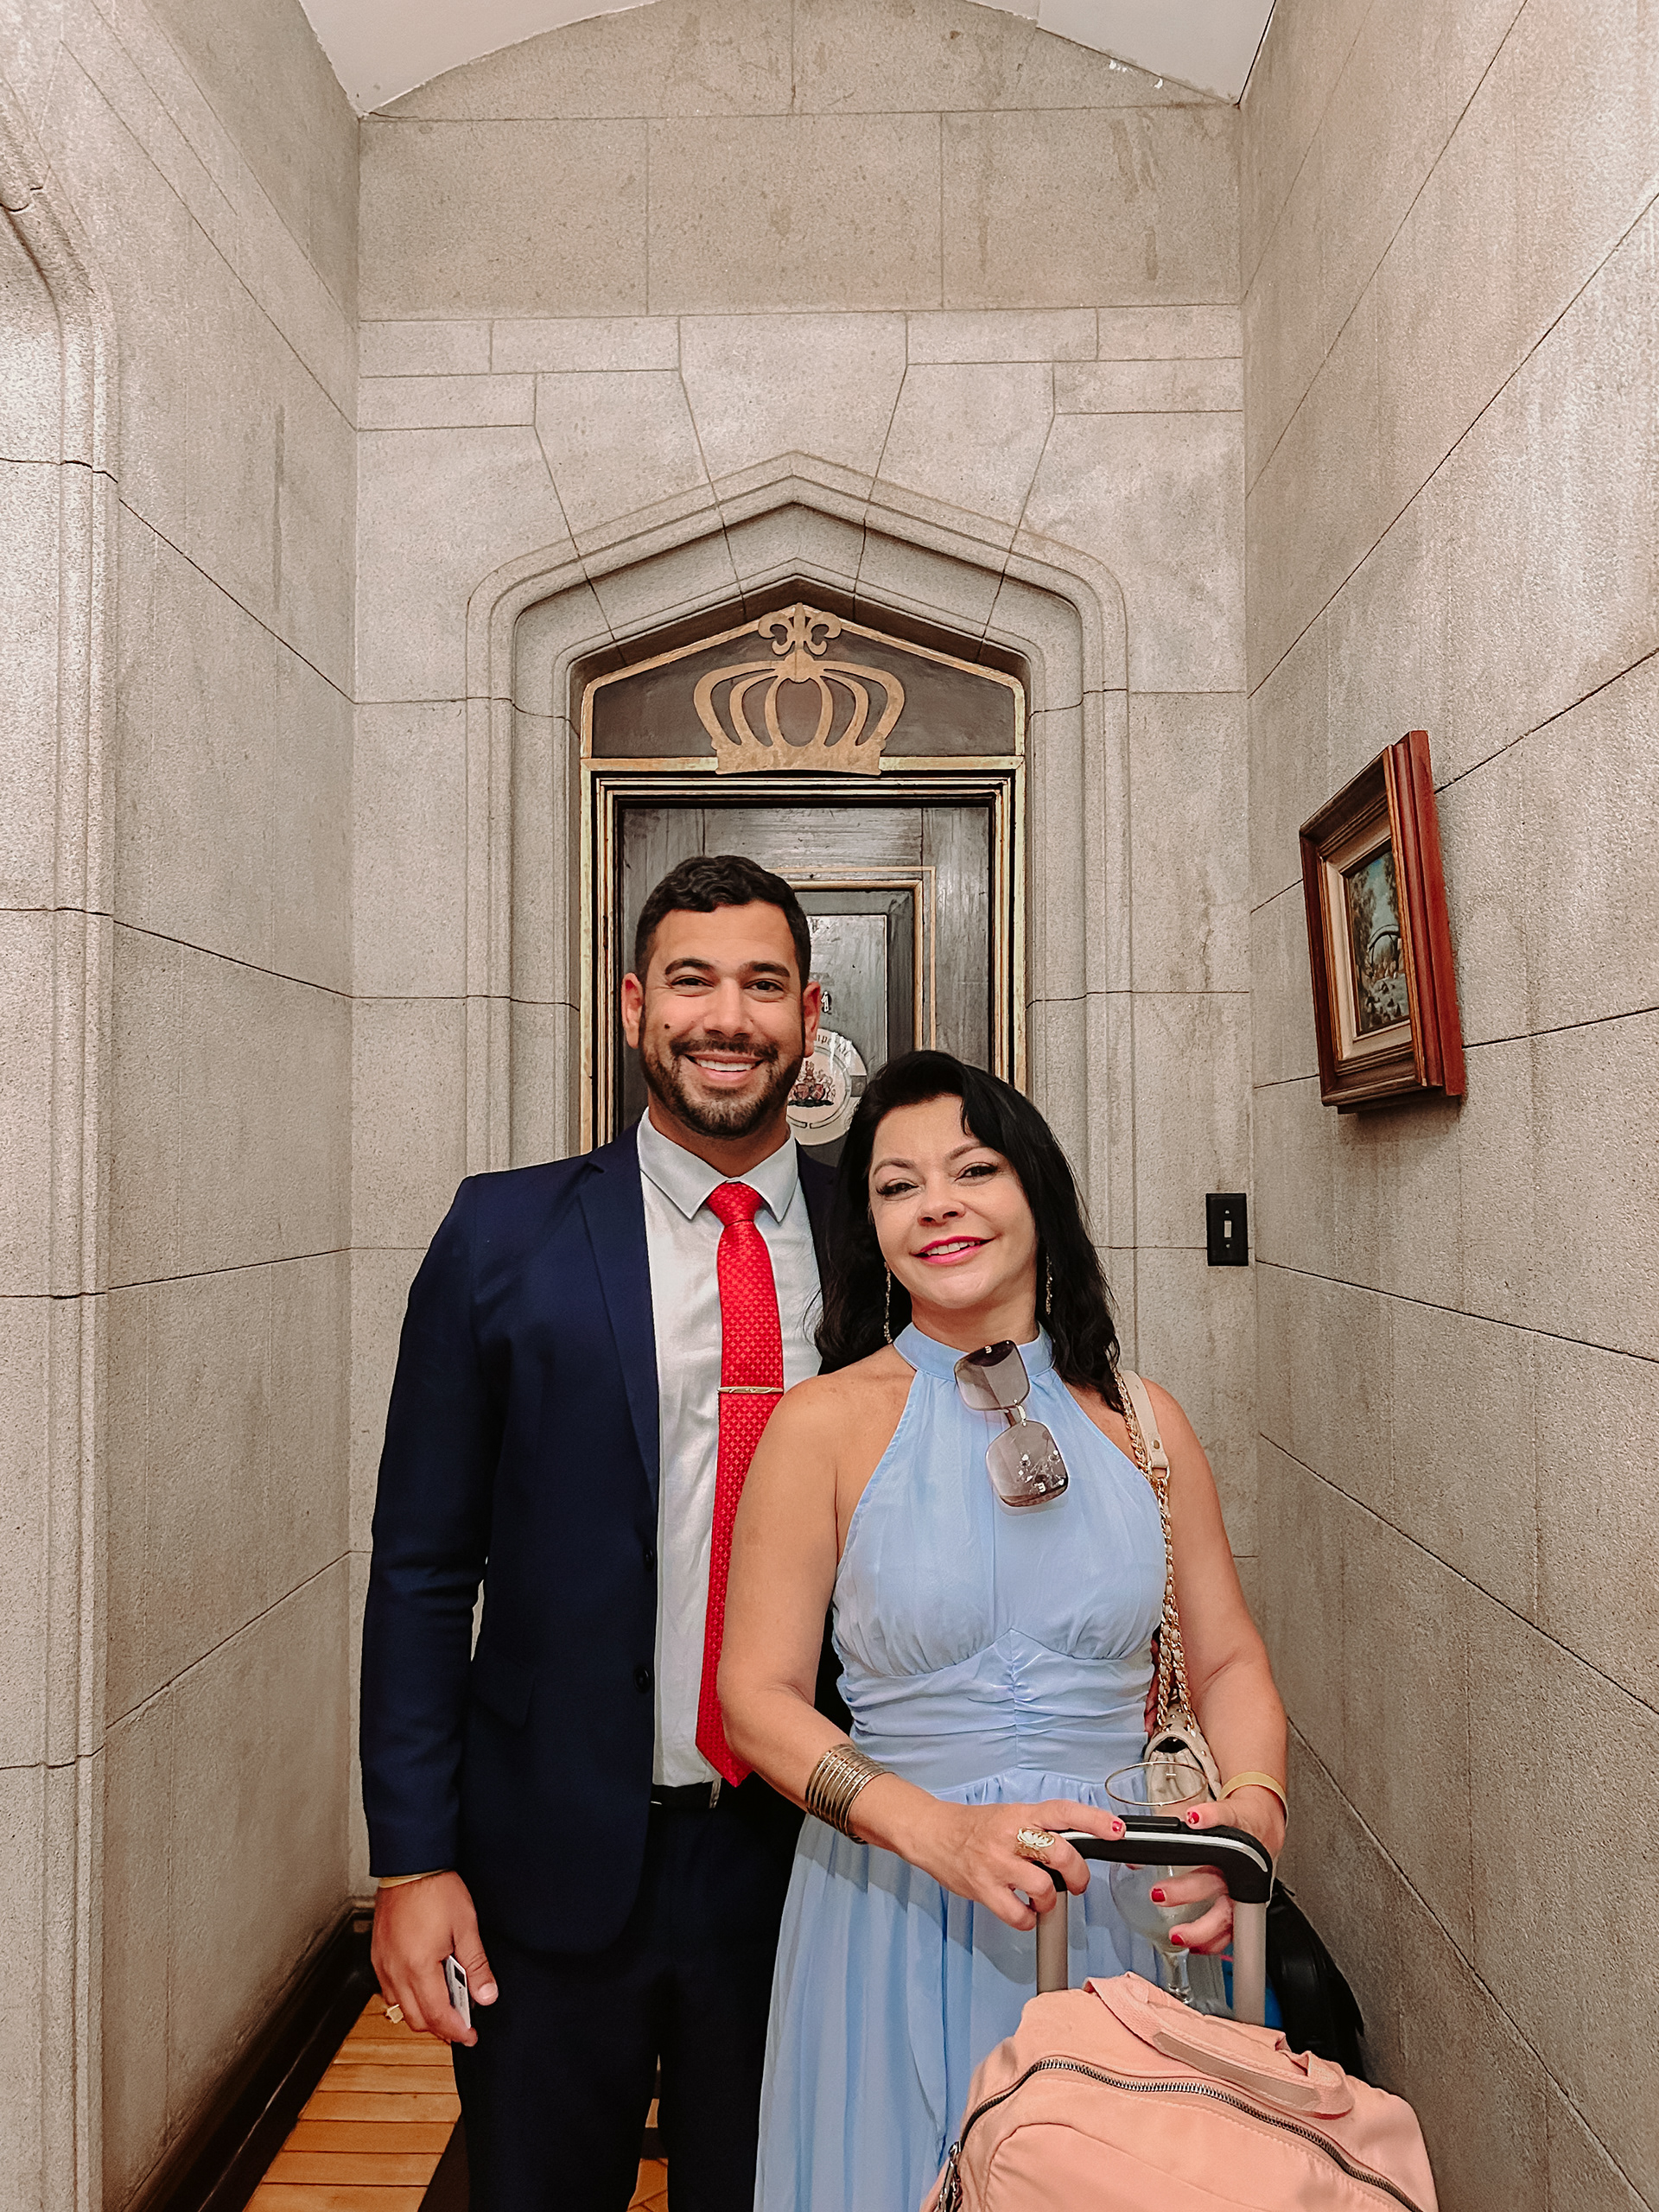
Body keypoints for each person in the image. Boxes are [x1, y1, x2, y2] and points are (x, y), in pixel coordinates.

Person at [719, 1051, 1289, 2212]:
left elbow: (1227, 1659)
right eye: (897, 1185)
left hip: (1117, 1905)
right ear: (872, 1227)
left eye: (973, 1169)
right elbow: (755, 1700)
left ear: (1039, 1190)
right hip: (891, 1905)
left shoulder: (1146, 1423)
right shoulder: (820, 1426)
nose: (937, 1203)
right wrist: (936, 1834)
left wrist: (1252, 1820)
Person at [360, 853, 844, 2212]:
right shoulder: (500, 1233)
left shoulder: (881, 1240)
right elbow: (421, 1571)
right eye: (691, 981)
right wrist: (412, 1857)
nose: (726, 1018)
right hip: (548, 1861)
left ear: (810, 1014)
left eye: (763, 985)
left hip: (809, 1866)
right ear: (635, 1005)